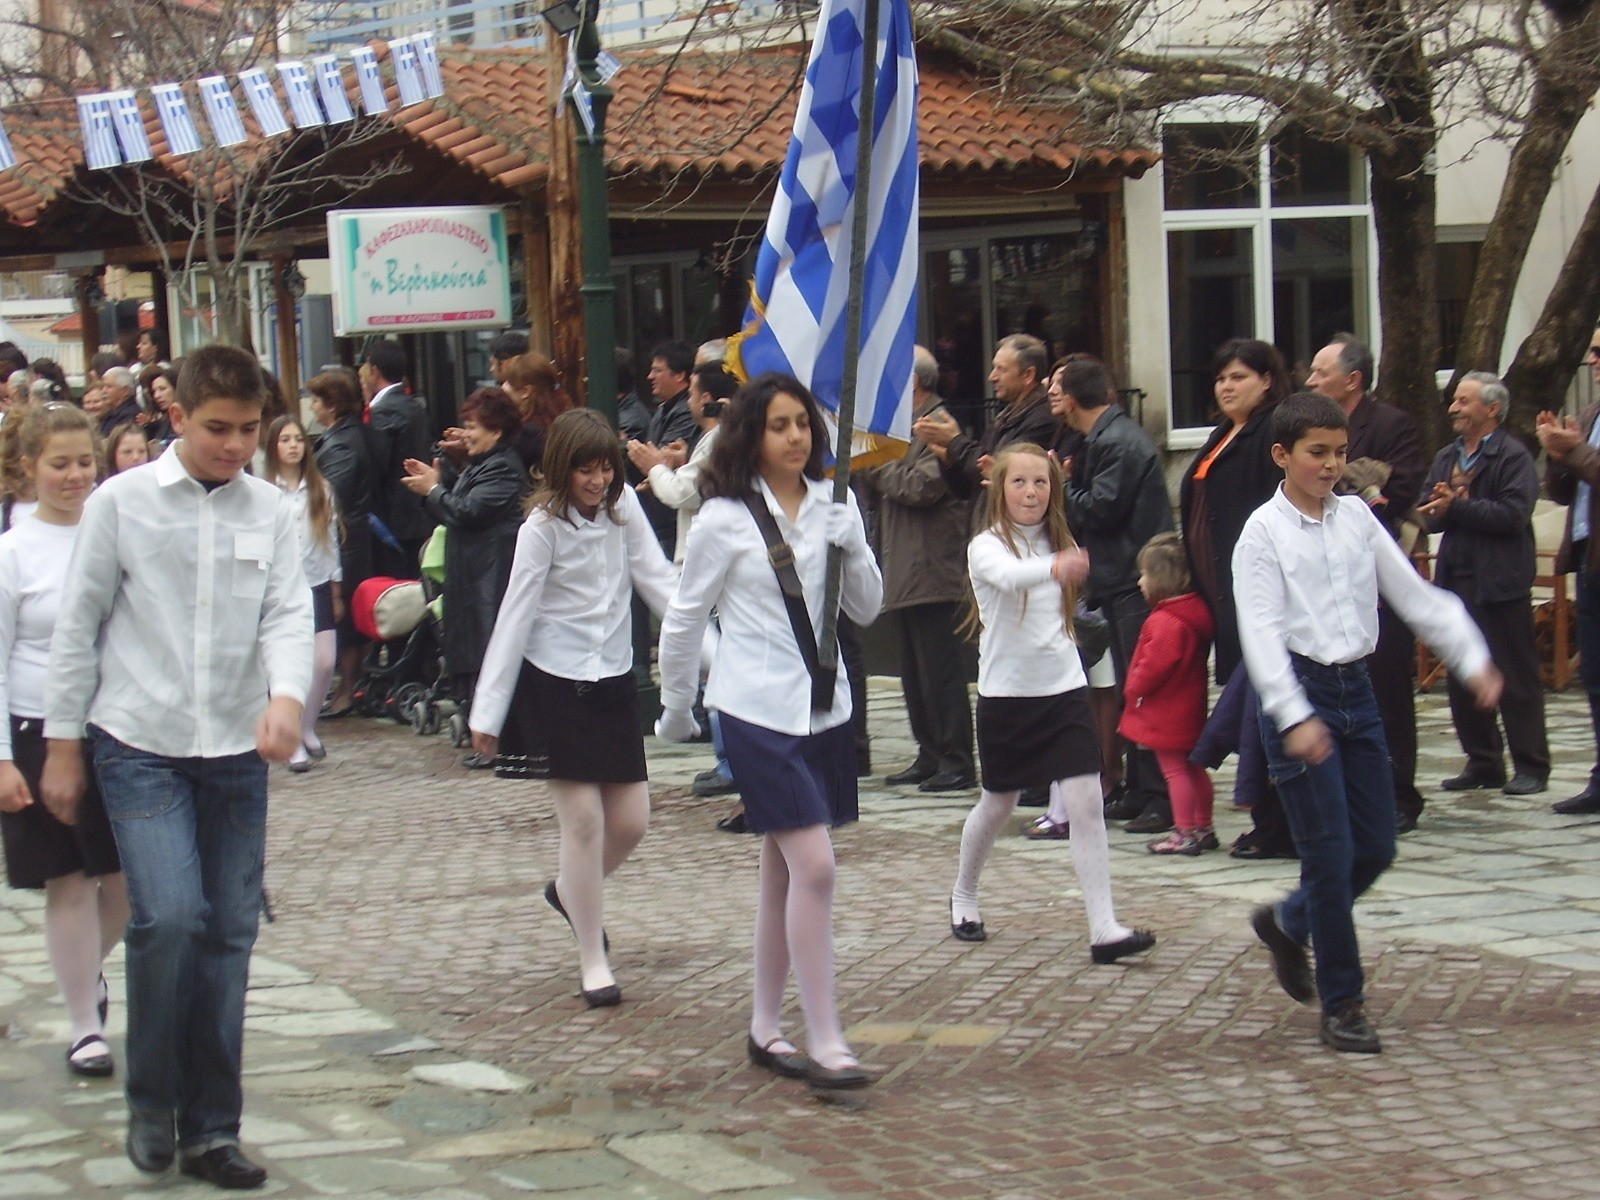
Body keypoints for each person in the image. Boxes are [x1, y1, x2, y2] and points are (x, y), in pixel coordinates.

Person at [43, 343, 313, 1188]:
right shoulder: (121, 503)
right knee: (170, 918)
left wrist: (288, 697)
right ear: (178, 416)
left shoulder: (271, 509)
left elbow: (287, 612)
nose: (233, 445)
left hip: (237, 745)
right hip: (139, 738)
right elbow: (79, 622)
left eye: (247, 430)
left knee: (229, 933)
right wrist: (60, 746)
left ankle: (212, 1127)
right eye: (216, 429)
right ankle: (150, 1102)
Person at [1236, 392, 1499, 1055]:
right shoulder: (1262, 534)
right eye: (1316, 453)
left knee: (1376, 845)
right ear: (1282, 455)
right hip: (1303, 691)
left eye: (1340, 453)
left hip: (1358, 693)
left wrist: (1472, 659)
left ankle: (1289, 921)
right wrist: (1292, 715)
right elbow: (1261, 635)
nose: (1330, 466)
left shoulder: (1356, 519)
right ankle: (1344, 1002)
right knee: (1329, 857)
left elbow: (1416, 598)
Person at [656, 374, 882, 1092]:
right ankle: (827, 1039)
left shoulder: (832, 508)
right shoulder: (723, 518)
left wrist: (857, 545)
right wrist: (676, 709)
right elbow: (685, 617)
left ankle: (763, 1025)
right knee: (815, 867)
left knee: (783, 872)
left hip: (825, 707)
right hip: (754, 710)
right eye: (780, 425)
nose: (795, 437)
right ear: (751, 435)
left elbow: (869, 610)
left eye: (803, 425)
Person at [469, 408, 677, 1009]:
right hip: (553, 682)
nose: (597, 482)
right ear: (562, 471)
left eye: (605, 469)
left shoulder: (624, 509)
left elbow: (658, 580)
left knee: (632, 821)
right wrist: (488, 711)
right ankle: (593, 957)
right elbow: (515, 616)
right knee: (583, 821)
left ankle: (569, 891)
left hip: (611, 681)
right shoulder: (541, 527)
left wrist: (710, 654)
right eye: (585, 471)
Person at [947, 442, 1155, 964]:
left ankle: (1104, 928)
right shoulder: (986, 545)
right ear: (998, 486)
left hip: (1063, 691)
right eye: (1019, 482)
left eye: (1040, 482)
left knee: (1086, 801)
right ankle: (964, 894)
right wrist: (1056, 567)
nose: (1031, 492)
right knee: (1000, 804)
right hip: (1006, 698)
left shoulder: (1062, 540)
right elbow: (1010, 577)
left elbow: (1079, 598)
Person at [0, 402, 130, 1080]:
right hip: (32, 728)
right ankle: (85, 1024)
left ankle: (89, 969)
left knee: (130, 881)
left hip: (115, 724)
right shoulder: (12, 553)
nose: (75, 475)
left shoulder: (114, 532)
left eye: (84, 461)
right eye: (60, 464)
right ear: (28, 467)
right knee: (69, 880)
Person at [1306, 333, 1429, 830]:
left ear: (1352, 380)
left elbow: (1398, 487)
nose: (1311, 381)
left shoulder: (1392, 424)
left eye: (1320, 372)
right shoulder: (1309, 426)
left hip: (1379, 572)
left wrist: (1348, 483)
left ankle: (1400, 793)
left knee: (1388, 688)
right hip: (1324, 575)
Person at [1180, 337, 1295, 860]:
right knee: (1252, 708)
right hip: (1225, 597)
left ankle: (1278, 824)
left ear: (1267, 380)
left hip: (1262, 596)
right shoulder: (1225, 433)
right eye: (1222, 378)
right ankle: (1269, 821)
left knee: (1266, 710)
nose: (1227, 387)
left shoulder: (1273, 433)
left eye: (1239, 377)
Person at [1052, 356, 1176, 834]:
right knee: (1130, 690)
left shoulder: (1119, 442)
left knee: (1144, 692)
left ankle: (1159, 797)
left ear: (1077, 398)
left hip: (1132, 581)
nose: (1053, 400)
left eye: (1059, 390)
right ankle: (1139, 790)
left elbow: (1101, 510)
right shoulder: (1100, 439)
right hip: (1119, 578)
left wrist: (1061, 483)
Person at [1419, 370, 1548, 796]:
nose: (1454, 408)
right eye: (1454, 400)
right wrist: (1436, 509)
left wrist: (1458, 508)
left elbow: (1513, 515)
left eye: (1464, 401)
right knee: (1462, 673)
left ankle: (1531, 765)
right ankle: (1483, 762)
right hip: (1457, 579)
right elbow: (1427, 508)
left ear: (1491, 409)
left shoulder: (1514, 457)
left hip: (1502, 581)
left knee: (1515, 676)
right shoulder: (1446, 455)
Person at [856, 345, 976, 794]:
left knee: (940, 671)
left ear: (915, 383)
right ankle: (929, 754)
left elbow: (925, 485)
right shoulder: (903, 428)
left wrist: (875, 464)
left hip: (931, 567)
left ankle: (957, 760)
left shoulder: (940, 426)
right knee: (914, 671)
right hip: (904, 565)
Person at [403, 387, 530, 768]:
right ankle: (490, 739)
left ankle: (501, 741)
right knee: (475, 659)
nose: (467, 432)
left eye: (473, 426)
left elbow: (468, 511)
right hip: (474, 580)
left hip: (489, 582)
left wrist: (434, 489)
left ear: (496, 430)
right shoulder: (486, 464)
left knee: (489, 659)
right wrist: (444, 477)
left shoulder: (504, 468)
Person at [1535, 325, 1600, 815]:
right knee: (1594, 676)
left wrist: (1574, 452)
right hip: (1588, 560)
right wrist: (1560, 455)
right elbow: (1565, 492)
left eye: (1598, 351)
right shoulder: (1592, 413)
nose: (1592, 360)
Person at [1119, 533, 1215, 855]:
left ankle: (1184, 830)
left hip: (1166, 713)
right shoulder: (1193, 614)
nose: (1140, 582)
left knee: (1174, 771)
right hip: (1190, 709)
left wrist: (1132, 688)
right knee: (1194, 768)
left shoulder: (1165, 621)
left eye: (1145, 575)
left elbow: (1151, 667)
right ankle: (1203, 825)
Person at [261, 415, 342, 774]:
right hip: (277, 586)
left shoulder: (319, 488)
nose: (293, 445)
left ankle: (308, 724)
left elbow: (331, 539)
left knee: (324, 661)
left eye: (298, 439)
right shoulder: (263, 490)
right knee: (284, 662)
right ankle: (291, 737)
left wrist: (336, 585)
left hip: (316, 581)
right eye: (285, 440)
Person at [914, 333, 1059, 502]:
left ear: (1028, 375)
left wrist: (955, 441)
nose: (992, 377)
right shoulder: (1005, 418)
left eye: (1001, 369)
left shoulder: (1042, 420)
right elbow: (968, 489)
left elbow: (998, 471)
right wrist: (948, 459)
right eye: (994, 368)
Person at [307, 369, 375, 719]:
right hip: (345, 537)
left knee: (346, 617)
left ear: (331, 405)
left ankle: (349, 688)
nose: (313, 407)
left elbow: (333, 495)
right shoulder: (341, 438)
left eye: (317, 400)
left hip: (346, 540)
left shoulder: (344, 444)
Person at [360, 340, 432, 578]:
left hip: (394, 518)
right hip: (418, 513)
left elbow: (376, 465)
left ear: (374, 370)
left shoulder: (384, 411)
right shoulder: (414, 405)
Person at [97, 367, 141, 438]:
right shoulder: (111, 413)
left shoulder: (129, 416)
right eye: (103, 386)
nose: (103, 391)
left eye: (109, 386)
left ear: (125, 391)